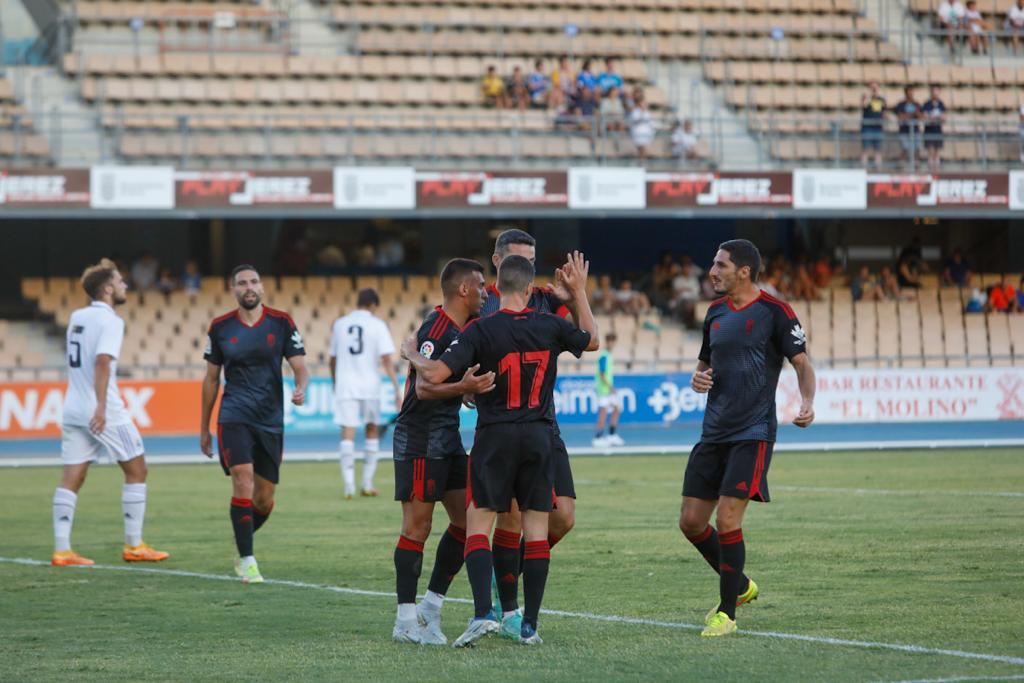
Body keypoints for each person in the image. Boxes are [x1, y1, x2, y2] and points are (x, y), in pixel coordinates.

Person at [404, 251, 599, 647]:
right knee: (536, 530)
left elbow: (436, 374)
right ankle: (528, 625)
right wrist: (579, 293)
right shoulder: (550, 324)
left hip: (495, 436)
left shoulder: (480, 329)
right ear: (529, 289)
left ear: (499, 287)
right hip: (540, 436)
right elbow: (592, 341)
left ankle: (482, 615)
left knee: (478, 523)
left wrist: (411, 354)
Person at [679, 240, 816, 637]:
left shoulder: (776, 312)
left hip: (752, 433)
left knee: (727, 518)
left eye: (720, 265)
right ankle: (740, 585)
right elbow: (705, 364)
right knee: (691, 522)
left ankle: (727, 614)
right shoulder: (715, 312)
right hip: (713, 431)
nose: (712, 271)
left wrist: (807, 402)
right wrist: (698, 378)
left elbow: (802, 364)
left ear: (744, 271)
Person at [478, 229, 579, 640]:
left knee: (563, 518)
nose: (527, 268)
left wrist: (575, 296)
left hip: (544, 423)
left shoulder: (548, 300)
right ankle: (509, 609)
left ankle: (505, 575)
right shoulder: (482, 301)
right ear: (497, 261)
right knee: (513, 517)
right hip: (502, 427)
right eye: (518, 259)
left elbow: (583, 337)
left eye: (532, 261)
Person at [391, 259, 497, 645]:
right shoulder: (436, 327)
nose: (486, 292)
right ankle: (405, 621)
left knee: (467, 522)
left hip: (448, 437)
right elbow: (423, 389)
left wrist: (463, 390)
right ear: (463, 289)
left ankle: (431, 607)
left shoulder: (464, 329)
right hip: (420, 438)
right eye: (481, 286)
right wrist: (462, 387)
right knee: (417, 527)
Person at [52, 259, 170, 567]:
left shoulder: (77, 316)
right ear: (107, 289)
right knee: (137, 470)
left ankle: (62, 550)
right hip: (102, 409)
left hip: (73, 407)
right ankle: (134, 545)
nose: (124, 286)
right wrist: (102, 407)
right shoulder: (111, 321)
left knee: (72, 477)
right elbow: (102, 361)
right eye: (119, 281)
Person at [200, 264, 309, 584]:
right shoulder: (220, 327)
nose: (248, 287)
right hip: (233, 415)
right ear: (233, 290)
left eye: (253, 281)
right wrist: (203, 426)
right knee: (242, 478)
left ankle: (242, 539)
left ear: (262, 287)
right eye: (242, 283)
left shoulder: (282, 322)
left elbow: (300, 366)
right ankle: (248, 560)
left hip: (270, 420)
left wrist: (301, 386)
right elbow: (210, 380)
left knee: (264, 498)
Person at [330, 289, 402, 499]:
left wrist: (335, 382)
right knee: (372, 430)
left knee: (347, 431)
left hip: (345, 385)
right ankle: (367, 484)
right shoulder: (377, 325)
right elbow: (387, 359)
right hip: (370, 386)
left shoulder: (340, 324)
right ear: (373, 305)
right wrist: (397, 388)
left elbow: (332, 359)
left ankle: (349, 486)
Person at [592, 332, 623, 448]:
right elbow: (601, 374)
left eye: (613, 341)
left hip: (608, 389)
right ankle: (598, 437)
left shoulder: (608, 355)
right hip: (604, 390)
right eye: (610, 341)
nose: (612, 344)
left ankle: (611, 435)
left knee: (617, 408)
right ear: (607, 342)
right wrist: (610, 387)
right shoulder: (604, 356)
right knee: (603, 413)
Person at [860, 81, 886, 169]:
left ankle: (878, 168)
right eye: (872, 87)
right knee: (866, 149)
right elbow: (864, 105)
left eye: (875, 87)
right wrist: (869, 96)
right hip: (867, 127)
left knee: (878, 150)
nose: (874, 89)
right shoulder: (866, 98)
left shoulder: (881, 99)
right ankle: (864, 168)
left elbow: (883, 112)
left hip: (878, 127)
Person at [921, 85, 947, 173]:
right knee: (930, 151)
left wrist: (933, 117)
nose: (935, 93)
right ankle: (930, 171)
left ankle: (937, 171)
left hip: (938, 130)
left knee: (937, 152)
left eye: (937, 91)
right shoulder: (927, 104)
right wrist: (935, 118)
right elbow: (925, 117)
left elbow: (943, 118)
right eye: (933, 91)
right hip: (929, 131)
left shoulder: (941, 104)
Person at [895, 86, 922, 167]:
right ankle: (900, 163)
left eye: (912, 92)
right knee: (905, 148)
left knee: (917, 148)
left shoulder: (916, 104)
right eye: (909, 92)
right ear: (906, 93)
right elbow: (900, 116)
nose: (911, 94)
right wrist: (912, 114)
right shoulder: (901, 104)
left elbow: (920, 116)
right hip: (904, 130)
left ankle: (916, 164)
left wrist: (913, 114)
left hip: (915, 130)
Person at [629, 90, 656, 162]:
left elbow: (650, 122)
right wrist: (641, 114)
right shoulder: (635, 111)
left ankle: (642, 161)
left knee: (643, 149)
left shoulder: (647, 113)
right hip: (638, 131)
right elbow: (635, 121)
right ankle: (641, 161)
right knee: (641, 148)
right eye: (642, 103)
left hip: (646, 132)